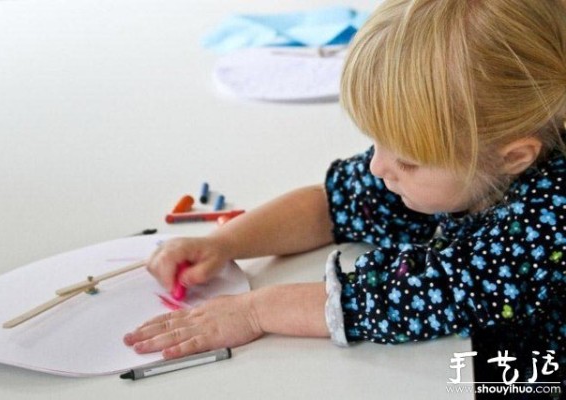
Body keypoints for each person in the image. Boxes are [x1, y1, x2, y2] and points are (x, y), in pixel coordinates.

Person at [124, 0, 566, 396]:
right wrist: (224, 243)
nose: (377, 166)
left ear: (513, 157)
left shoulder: (548, 222)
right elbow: (332, 204)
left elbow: (399, 300)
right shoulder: (465, 157)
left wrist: (255, 311)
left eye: (407, 161)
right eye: (376, 142)